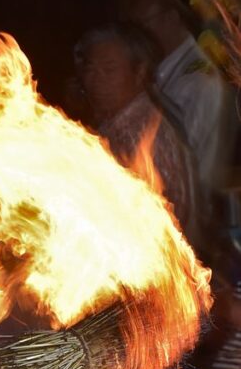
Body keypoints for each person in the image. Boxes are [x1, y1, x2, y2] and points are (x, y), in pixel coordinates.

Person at [76, 21, 198, 242]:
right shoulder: (116, 121)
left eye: (109, 70)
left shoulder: (142, 133)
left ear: (140, 72)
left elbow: (154, 220)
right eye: (90, 69)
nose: (95, 80)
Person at [131, 0, 234, 214]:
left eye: (144, 23)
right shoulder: (165, 71)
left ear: (172, 18)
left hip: (193, 211)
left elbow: (191, 160)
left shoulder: (198, 80)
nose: (139, 34)